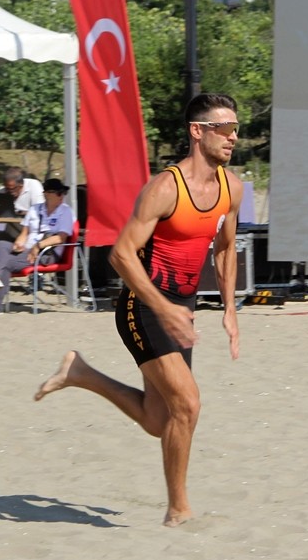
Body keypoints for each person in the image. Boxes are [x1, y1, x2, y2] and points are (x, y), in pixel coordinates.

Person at [34, 92, 244, 527]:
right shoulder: (165, 188)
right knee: (187, 404)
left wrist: (229, 309)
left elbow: (225, 249)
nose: (233, 137)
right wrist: (163, 308)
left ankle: (81, 374)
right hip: (141, 304)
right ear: (198, 131)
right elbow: (121, 256)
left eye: (236, 129)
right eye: (224, 128)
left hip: (180, 307)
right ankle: (179, 509)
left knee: (157, 419)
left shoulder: (231, 187)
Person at [0, 177, 74, 313]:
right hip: (29, 248)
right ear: (47, 194)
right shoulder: (35, 209)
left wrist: (37, 246)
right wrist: (19, 243)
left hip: (47, 252)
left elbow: (60, 238)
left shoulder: (65, 211)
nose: (62, 196)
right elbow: (25, 232)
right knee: (2, 244)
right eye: (59, 193)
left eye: (63, 193)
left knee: (6, 264)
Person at [0, 166, 46, 253]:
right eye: (6, 188)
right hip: (11, 233)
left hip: (29, 234)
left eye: (12, 189)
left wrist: (25, 213)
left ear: (21, 185)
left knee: (3, 244)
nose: (9, 192)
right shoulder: (4, 191)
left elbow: (41, 211)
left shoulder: (33, 186)